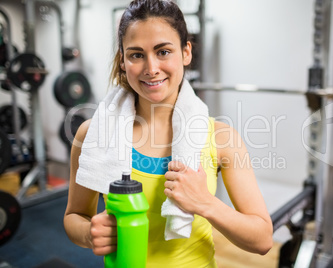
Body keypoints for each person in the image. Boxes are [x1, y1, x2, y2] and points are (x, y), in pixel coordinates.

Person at [63, 0, 273, 266]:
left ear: (186, 53)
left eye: (163, 52)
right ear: (123, 61)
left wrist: (206, 203)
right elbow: (74, 216)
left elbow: (263, 239)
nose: (151, 68)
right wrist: (88, 233)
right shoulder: (92, 133)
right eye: (137, 55)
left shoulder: (221, 139)